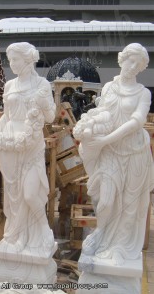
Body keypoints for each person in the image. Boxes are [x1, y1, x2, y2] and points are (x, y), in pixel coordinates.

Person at [74, 43, 154, 265]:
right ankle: (101, 233)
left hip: (134, 154)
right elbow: (103, 113)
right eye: (131, 60)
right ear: (122, 59)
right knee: (106, 201)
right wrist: (88, 122)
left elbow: (137, 122)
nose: (133, 66)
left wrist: (104, 140)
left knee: (128, 204)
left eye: (139, 64)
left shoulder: (143, 93)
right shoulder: (108, 87)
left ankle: (119, 247)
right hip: (110, 153)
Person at [0, 42, 56, 252]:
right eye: (10, 60)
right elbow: (6, 116)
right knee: (12, 195)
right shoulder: (9, 86)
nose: (12, 64)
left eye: (15, 59)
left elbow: (51, 117)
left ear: (28, 59)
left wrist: (44, 103)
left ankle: (43, 230)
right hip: (10, 143)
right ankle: (17, 236)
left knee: (29, 194)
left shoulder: (42, 85)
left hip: (30, 143)